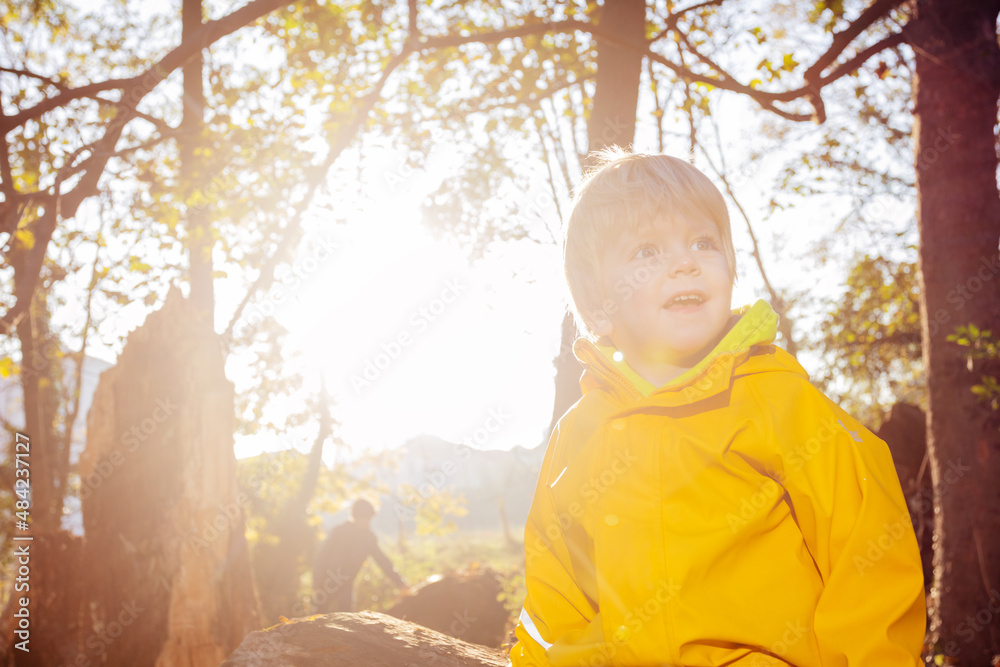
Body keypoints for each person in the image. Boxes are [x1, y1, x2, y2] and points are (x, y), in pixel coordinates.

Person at [508, 149, 925, 666]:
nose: (686, 262)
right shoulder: (579, 434)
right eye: (646, 252)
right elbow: (554, 594)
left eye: (703, 243)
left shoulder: (777, 400)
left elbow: (870, 552)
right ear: (599, 308)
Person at [313, 498, 406, 613]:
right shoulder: (339, 531)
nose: (365, 522)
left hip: (347, 585)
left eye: (368, 519)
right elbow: (322, 556)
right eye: (363, 518)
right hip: (326, 583)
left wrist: (400, 583)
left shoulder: (369, 539)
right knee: (318, 617)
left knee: (347, 619)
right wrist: (317, 581)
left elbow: (383, 561)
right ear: (355, 517)